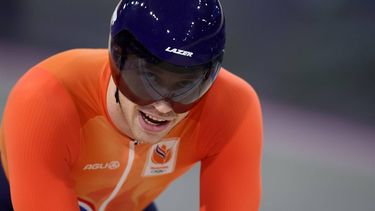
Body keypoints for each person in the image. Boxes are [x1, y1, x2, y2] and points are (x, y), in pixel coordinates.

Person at [0, 0, 263, 210]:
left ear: (211, 76)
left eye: (186, 87)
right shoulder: (44, 98)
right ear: (116, 61)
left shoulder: (233, 108)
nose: (162, 107)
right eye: (146, 79)